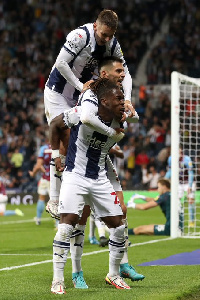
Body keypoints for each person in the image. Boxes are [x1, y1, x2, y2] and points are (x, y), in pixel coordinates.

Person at [49, 58, 144, 290]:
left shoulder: (120, 120)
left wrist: (124, 115)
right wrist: (56, 156)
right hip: (75, 176)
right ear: (104, 101)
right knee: (66, 226)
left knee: (119, 225)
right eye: (119, 99)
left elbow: (135, 118)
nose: (124, 103)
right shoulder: (82, 111)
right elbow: (54, 124)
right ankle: (58, 280)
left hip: (100, 177)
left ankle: (113, 274)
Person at [44, 9, 134, 217]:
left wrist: (127, 97)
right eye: (104, 35)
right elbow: (60, 63)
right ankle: (54, 200)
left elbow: (125, 72)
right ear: (96, 26)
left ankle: (85, 193)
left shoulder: (113, 44)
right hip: (57, 92)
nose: (107, 39)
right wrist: (80, 85)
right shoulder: (79, 36)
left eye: (111, 35)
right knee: (64, 136)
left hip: (79, 95)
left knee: (80, 140)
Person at [165, 147, 195, 227]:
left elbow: (191, 173)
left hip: (188, 182)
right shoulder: (171, 159)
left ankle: (191, 221)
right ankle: (177, 220)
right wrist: (164, 180)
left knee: (190, 201)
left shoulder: (187, 159)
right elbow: (170, 171)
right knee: (176, 202)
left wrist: (190, 186)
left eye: (180, 151)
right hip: (178, 183)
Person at [29, 139, 52, 225]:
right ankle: (57, 223)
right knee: (55, 200)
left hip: (44, 177)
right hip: (55, 179)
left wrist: (33, 173)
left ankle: (38, 219)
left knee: (41, 198)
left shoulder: (44, 149)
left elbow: (39, 165)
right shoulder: (59, 148)